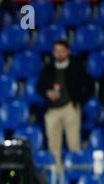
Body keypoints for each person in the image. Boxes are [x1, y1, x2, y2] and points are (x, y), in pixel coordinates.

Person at [36, 40, 94, 173]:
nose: (59, 53)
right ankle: (57, 178)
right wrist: (47, 93)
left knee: (74, 144)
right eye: (56, 50)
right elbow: (39, 87)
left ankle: (76, 175)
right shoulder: (48, 68)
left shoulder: (77, 66)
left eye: (62, 50)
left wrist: (79, 101)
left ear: (68, 51)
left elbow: (89, 86)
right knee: (53, 147)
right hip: (52, 110)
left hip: (70, 108)